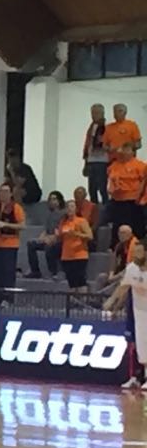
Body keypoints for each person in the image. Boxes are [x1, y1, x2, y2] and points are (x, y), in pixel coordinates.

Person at [104, 240, 147, 390]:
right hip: (139, 312)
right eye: (134, 251)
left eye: (139, 252)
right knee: (142, 346)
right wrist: (111, 301)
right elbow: (123, 287)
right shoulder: (132, 268)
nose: (135, 255)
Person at [107, 143, 147, 250]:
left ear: (132, 152)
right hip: (117, 200)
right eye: (123, 149)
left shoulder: (140, 166)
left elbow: (143, 182)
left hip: (133, 200)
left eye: (126, 149)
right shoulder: (114, 165)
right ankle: (116, 247)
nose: (123, 152)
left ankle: (138, 248)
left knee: (135, 226)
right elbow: (110, 180)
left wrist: (139, 196)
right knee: (118, 225)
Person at [0, 184, 26, 293]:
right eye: (1, 191)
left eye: (6, 191)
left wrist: (5, 225)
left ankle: (8, 297)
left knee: (8, 273)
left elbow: (22, 225)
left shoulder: (16, 207)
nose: (3, 194)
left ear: (10, 194)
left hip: (10, 244)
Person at [54, 199, 94, 293]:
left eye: (72, 206)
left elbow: (90, 236)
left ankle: (83, 299)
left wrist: (76, 234)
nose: (69, 209)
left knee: (80, 280)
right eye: (68, 207)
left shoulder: (81, 221)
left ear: (76, 209)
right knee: (71, 281)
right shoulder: (63, 222)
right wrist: (57, 235)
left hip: (79, 255)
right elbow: (60, 237)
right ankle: (73, 300)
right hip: (66, 255)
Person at [25, 191, 65, 279]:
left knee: (49, 247)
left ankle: (53, 272)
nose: (52, 201)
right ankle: (35, 271)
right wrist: (41, 237)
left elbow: (61, 230)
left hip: (59, 240)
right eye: (50, 199)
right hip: (48, 237)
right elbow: (46, 230)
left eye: (54, 199)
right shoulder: (50, 215)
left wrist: (52, 238)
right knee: (31, 244)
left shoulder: (63, 214)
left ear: (59, 201)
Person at [83, 103, 111, 207]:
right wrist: (85, 162)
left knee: (102, 188)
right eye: (93, 113)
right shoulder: (91, 127)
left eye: (97, 113)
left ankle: (106, 210)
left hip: (102, 161)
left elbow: (109, 144)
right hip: (91, 160)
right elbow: (88, 145)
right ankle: (94, 211)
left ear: (103, 113)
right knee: (92, 189)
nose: (94, 115)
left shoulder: (107, 128)